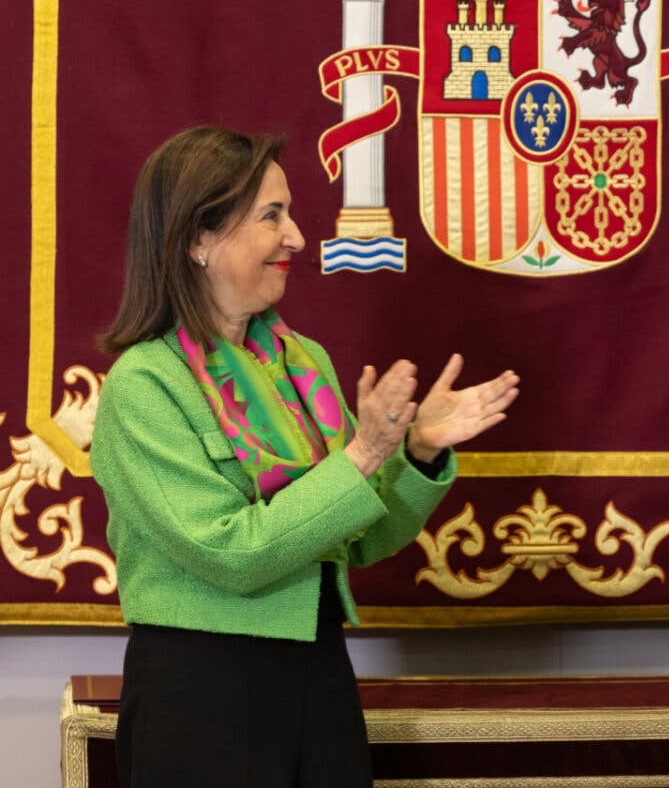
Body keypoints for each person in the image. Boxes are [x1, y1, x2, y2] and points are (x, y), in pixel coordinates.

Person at [91, 126, 519, 788]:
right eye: (272, 215)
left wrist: (415, 451)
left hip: (317, 678)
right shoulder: (143, 386)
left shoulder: (301, 363)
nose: (296, 237)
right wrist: (364, 453)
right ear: (198, 239)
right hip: (202, 696)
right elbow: (234, 554)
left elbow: (361, 537)